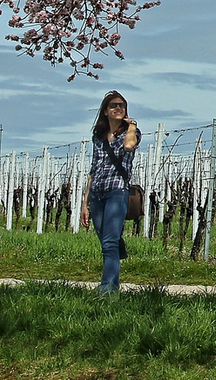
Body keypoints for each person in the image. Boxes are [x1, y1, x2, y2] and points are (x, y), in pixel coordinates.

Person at [88, 90, 139, 293]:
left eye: (122, 105)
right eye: (113, 105)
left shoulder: (131, 132)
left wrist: (132, 124)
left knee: (109, 243)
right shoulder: (98, 136)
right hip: (97, 193)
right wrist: (85, 203)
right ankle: (118, 250)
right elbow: (94, 168)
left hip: (117, 191)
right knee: (105, 238)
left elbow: (128, 146)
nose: (118, 108)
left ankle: (108, 291)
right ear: (105, 110)